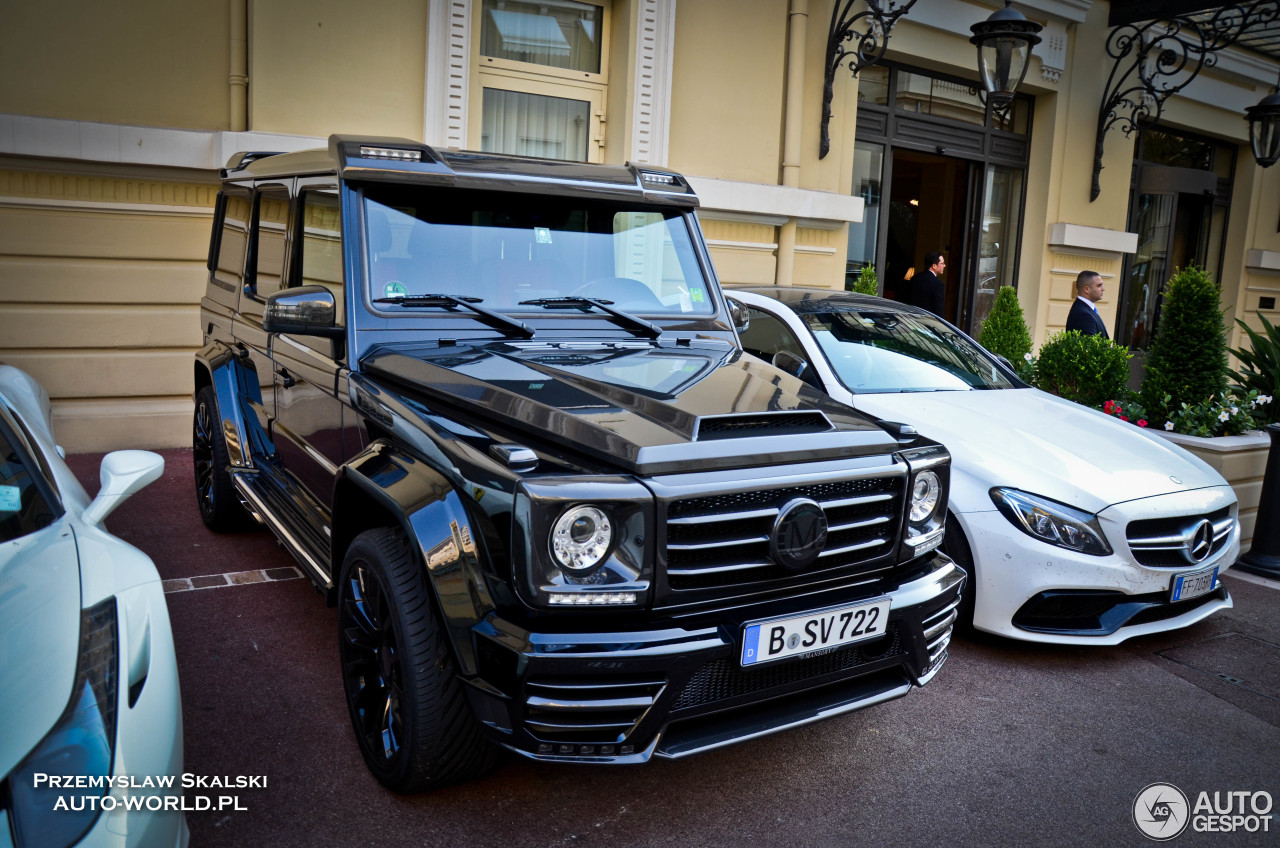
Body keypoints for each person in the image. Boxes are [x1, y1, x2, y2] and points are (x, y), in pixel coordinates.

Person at [1066, 270, 1109, 338]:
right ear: (1086, 289)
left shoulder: (1086, 309)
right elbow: (1090, 347)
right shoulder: (1083, 315)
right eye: (1099, 286)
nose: (1103, 289)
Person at [910, 252, 945, 316]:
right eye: (942, 263)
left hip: (912, 320)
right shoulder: (938, 284)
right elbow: (939, 311)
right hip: (928, 322)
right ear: (934, 266)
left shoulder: (914, 278)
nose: (944, 266)